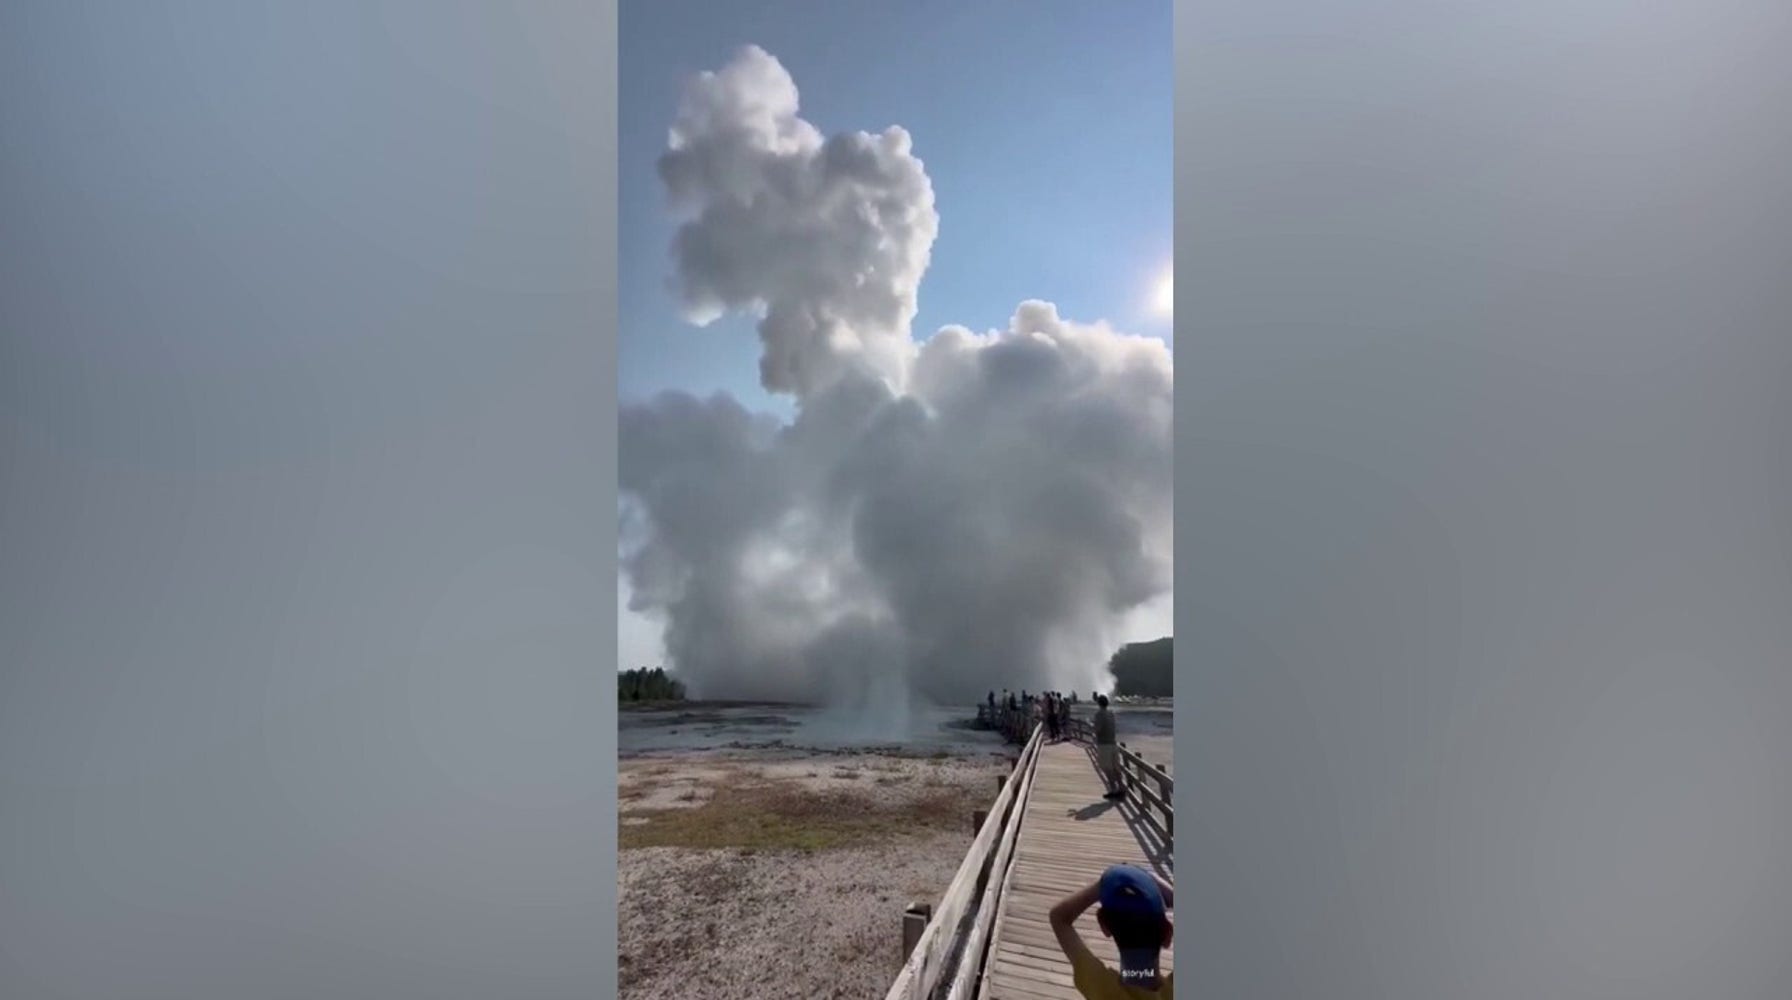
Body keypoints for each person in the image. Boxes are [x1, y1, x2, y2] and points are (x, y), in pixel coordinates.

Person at [1050, 864, 1174, 998]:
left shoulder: (1103, 988)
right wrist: (1156, 881)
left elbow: (1059, 917)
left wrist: (1103, 883)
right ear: (1168, 935)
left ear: (1104, 926)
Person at [1093, 694, 1122, 800]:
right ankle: (1121, 788)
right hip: (1113, 743)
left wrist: (1092, 726)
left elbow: (1098, 729)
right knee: (1116, 768)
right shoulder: (1111, 713)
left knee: (1107, 768)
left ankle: (1113, 790)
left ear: (1098, 703)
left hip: (1104, 744)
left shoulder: (1099, 714)